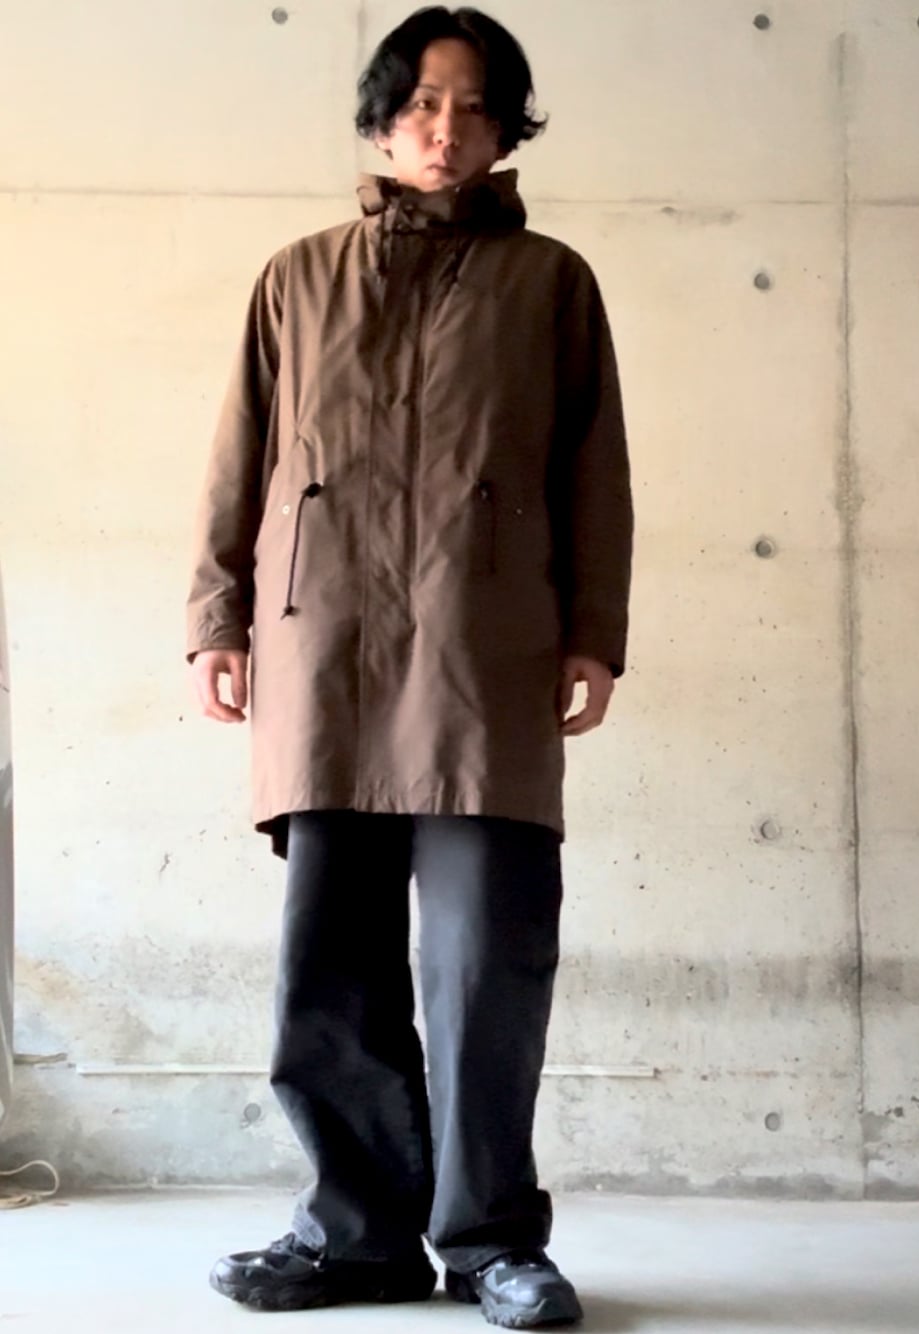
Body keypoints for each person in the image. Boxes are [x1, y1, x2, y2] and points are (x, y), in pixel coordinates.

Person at [186, 6, 632, 1327]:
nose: (447, 128)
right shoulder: (296, 279)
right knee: (330, 965)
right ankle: (356, 1234)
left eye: (476, 105)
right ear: (383, 120)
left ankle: (490, 1239)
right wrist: (218, 617)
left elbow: (593, 470)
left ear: (505, 131)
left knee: (489, 961)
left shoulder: (551, 283)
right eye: (424, 102)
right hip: (321, 646)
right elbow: (241, 457)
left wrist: (593, 630)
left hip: (484, 651)